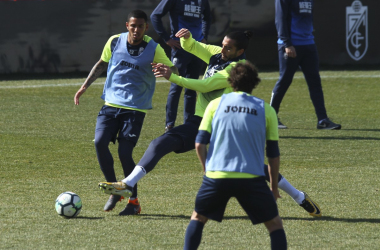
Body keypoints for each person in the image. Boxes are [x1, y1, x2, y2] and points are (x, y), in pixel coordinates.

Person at [99, 28, 322, 218]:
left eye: (228, 48)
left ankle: (299, 196)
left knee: (254, 167)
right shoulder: (218, 55)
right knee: (160, 144)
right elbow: (196, 47)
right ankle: (127, 184)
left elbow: (206, 86)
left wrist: (172, 78)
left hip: (222, 124)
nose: (222, 49)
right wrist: (186, 38)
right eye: (222, 45)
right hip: (200, 121)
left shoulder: (237, 68)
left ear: (240, 52)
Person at [74, 10, 178, 216]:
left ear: (146, 28)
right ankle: (115, 188)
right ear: (127, 25)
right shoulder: (114, 42)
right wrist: (85, 86)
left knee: (124, 152)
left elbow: (172, 69)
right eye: (133, 25)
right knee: (99, 142)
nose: (136, 29)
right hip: (111, 104)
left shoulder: (153, 48)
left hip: (135, 109)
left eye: (140, 26)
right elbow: (102, 63)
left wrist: (167, 71)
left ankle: (133, 202)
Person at [183, 61, 287, 250]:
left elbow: (199, 143)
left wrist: (207, 172)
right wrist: (273, 187)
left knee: (198, 218)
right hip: (252, 179)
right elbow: (273, 154)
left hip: (216, 177)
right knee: (274, 225)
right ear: (255, 82)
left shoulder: (215, 105)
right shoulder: (267, 110)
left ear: (231, 82)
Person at [271, 0, 341, 130]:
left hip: (308, 43)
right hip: (290, 45)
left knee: (315, 82)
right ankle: (271, 117)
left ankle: (323, 120)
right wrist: (287, 43)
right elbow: (280, 19)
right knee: (284, 80)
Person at [150, 0, 211, 132]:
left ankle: (188, 123)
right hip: (180, 48)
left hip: (197, 48)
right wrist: (167, 38)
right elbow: (155, 16)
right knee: (176, 85)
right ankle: (170, 124)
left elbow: (207, 17)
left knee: (191, 86)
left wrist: (204, 36)